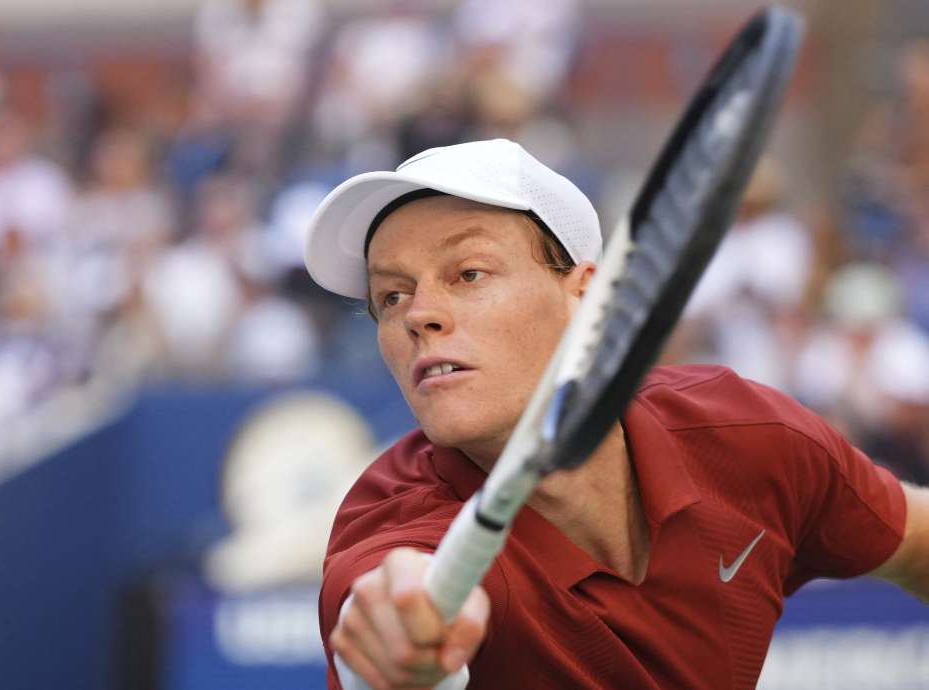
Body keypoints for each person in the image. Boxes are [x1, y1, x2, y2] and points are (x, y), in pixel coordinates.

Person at [301, 139, 929, 690]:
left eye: (468, 272)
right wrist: (399, 642)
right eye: (390, 294)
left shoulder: (748, 437)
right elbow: (382, 605)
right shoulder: (391, 529)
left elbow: (916, 543)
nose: (417, 315)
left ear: (585, 297)